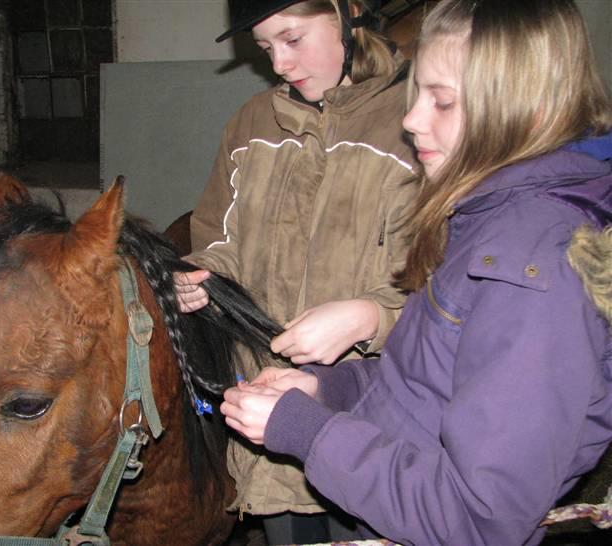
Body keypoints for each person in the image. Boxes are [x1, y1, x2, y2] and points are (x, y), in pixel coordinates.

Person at [219, 0, 612, 544]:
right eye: (417, 94)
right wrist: (329, 387)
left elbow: (477, 517)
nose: (410, 121)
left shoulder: (531, 269)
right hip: (383, 489)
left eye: (443, 101)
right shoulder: (489, 220)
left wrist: (307, 430)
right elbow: (432, 380)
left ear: (531, 109)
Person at [174, 0, 419, 542]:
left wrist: (374, 318)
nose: (279, 64)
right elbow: (219, 238)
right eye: (265, 48)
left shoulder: (420, 120)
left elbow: (451, 291)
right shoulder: (252, 123)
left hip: (378, 415)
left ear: (348, 15)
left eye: (293, 38)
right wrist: (198, 276)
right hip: (269, 407)